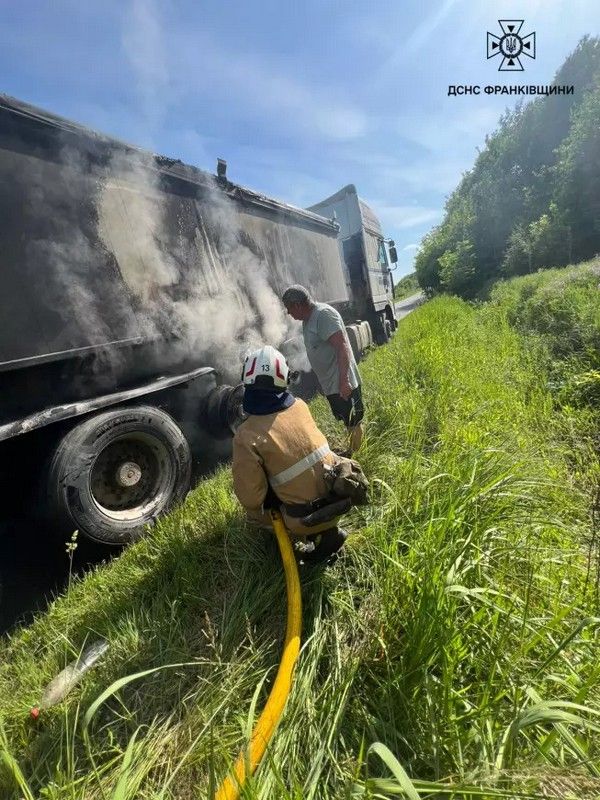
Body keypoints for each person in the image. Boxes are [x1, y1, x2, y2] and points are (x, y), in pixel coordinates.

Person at [232, 344, 349, 564]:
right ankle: (327, 533)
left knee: (253, 516)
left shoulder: (245, 436)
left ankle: (298, 542)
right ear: (284, 379)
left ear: (246, 381)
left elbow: (251, 499)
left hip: (302, 519)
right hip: (339, 500)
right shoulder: (301, 405)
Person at [282, 284, 364, 453]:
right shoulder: (308, 319)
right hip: (332, 383)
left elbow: (342, 347)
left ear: (297, 305)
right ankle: (353, 449)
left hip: (341, 381)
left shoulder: (323, 315)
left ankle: (358, 454)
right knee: (346, 419)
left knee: (353, 420)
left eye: (289, 309)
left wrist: (344, 381)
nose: (289, 313)